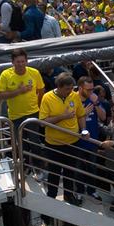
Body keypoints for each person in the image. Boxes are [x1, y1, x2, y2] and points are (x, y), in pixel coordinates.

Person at [39, 72, 86, 204]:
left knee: (70, 172)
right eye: (67, 89)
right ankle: (51, 198)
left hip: (73, 142)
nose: (70, 91)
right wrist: (62, 117)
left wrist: (84, 130)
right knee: (54, 172)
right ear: (59, 87)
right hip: (54, 145)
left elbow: (81, 115)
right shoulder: (47, 98)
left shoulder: (74, 96)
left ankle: (68, 195)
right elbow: (43, 122)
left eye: (71, 88)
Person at [0, 48, 44, 130]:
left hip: (33, 113)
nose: (21, 64)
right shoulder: (5, 75)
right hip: (15, 116)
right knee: (20, 141)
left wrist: (39, 107)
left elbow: (41, 90)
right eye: (18, 62)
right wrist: (19, 91)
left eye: (23, 61)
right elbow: (0, 95)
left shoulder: (35, 73)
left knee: (34, 140)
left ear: (26, 61)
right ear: (12, 62)